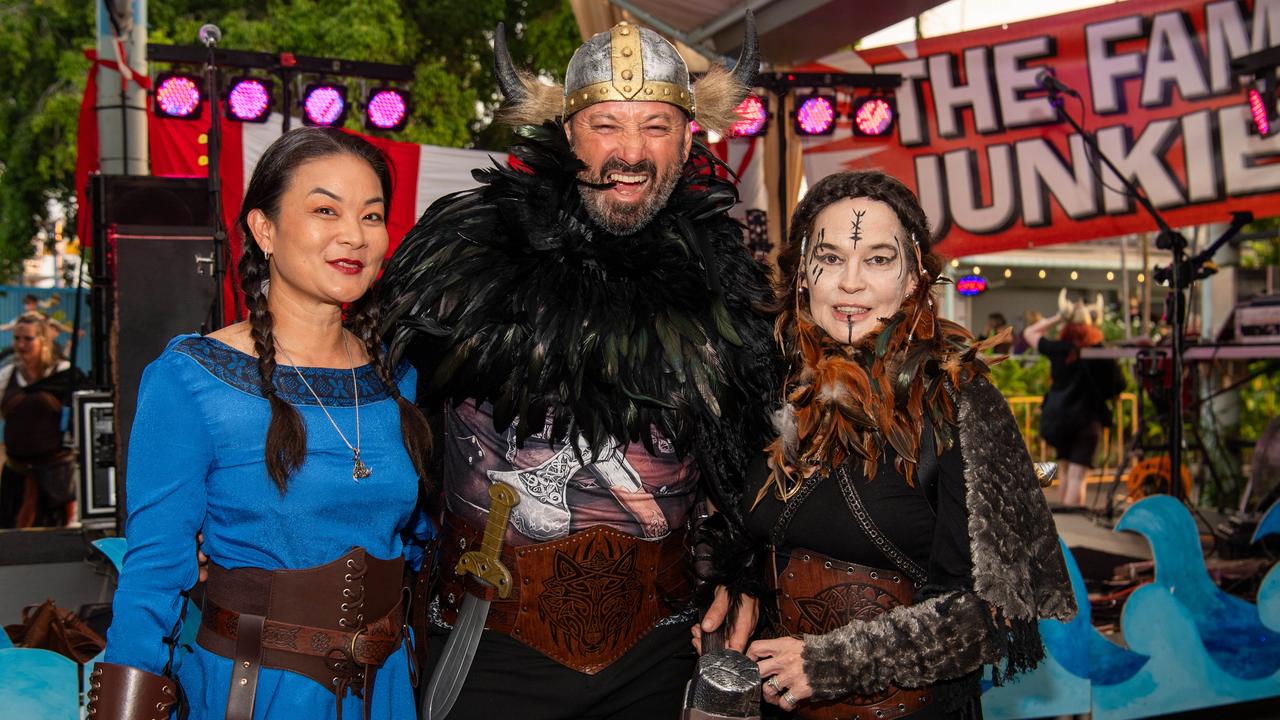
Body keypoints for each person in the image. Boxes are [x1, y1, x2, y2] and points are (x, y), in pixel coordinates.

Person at [379, 15, 778, 719]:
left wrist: (745, 569)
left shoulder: (725, 287)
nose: (630, 151)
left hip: (658, 649)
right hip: (490, 640)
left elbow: (753, 457)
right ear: (567, 134)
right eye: (606, 124)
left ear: (689, 141)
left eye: (656, 125)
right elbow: (376, 407)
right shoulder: (470, 258)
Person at [91, 127, 433, 720]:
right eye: (325, 209)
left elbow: (420, 542)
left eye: (372, 215)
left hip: (388, 693)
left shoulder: (400, 380)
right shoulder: (191, 380)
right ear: (264, 229)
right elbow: (153, 575)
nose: (353, 234)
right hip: (255, 692)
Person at [716, 171, 1075, 719]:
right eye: (831, 258)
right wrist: (737, 589)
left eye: (878, 260)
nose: (851, 283)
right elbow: (744, 530)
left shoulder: (961, 400)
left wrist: (833, 663)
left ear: (913, 279)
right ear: (802, 276)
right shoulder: (769, 385)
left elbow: (992, 610)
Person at [1024, 290, 1124, 508]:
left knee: (1066, 473)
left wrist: (1059, 316)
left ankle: (1063, 532)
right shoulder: (1099, 353)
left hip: (1059, 420)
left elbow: (1030, 332)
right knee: (1078, 477)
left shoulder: (1059, 349)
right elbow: (1117, 386)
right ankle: (1074, 523)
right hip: (1087, 421)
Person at [0, 312, 80, 528]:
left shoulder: (64, 376)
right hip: (16, 478)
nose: (21, 344)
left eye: (28, 338)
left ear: (43, 340)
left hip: (56, 479)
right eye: (17, 338)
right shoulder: (8, 376)